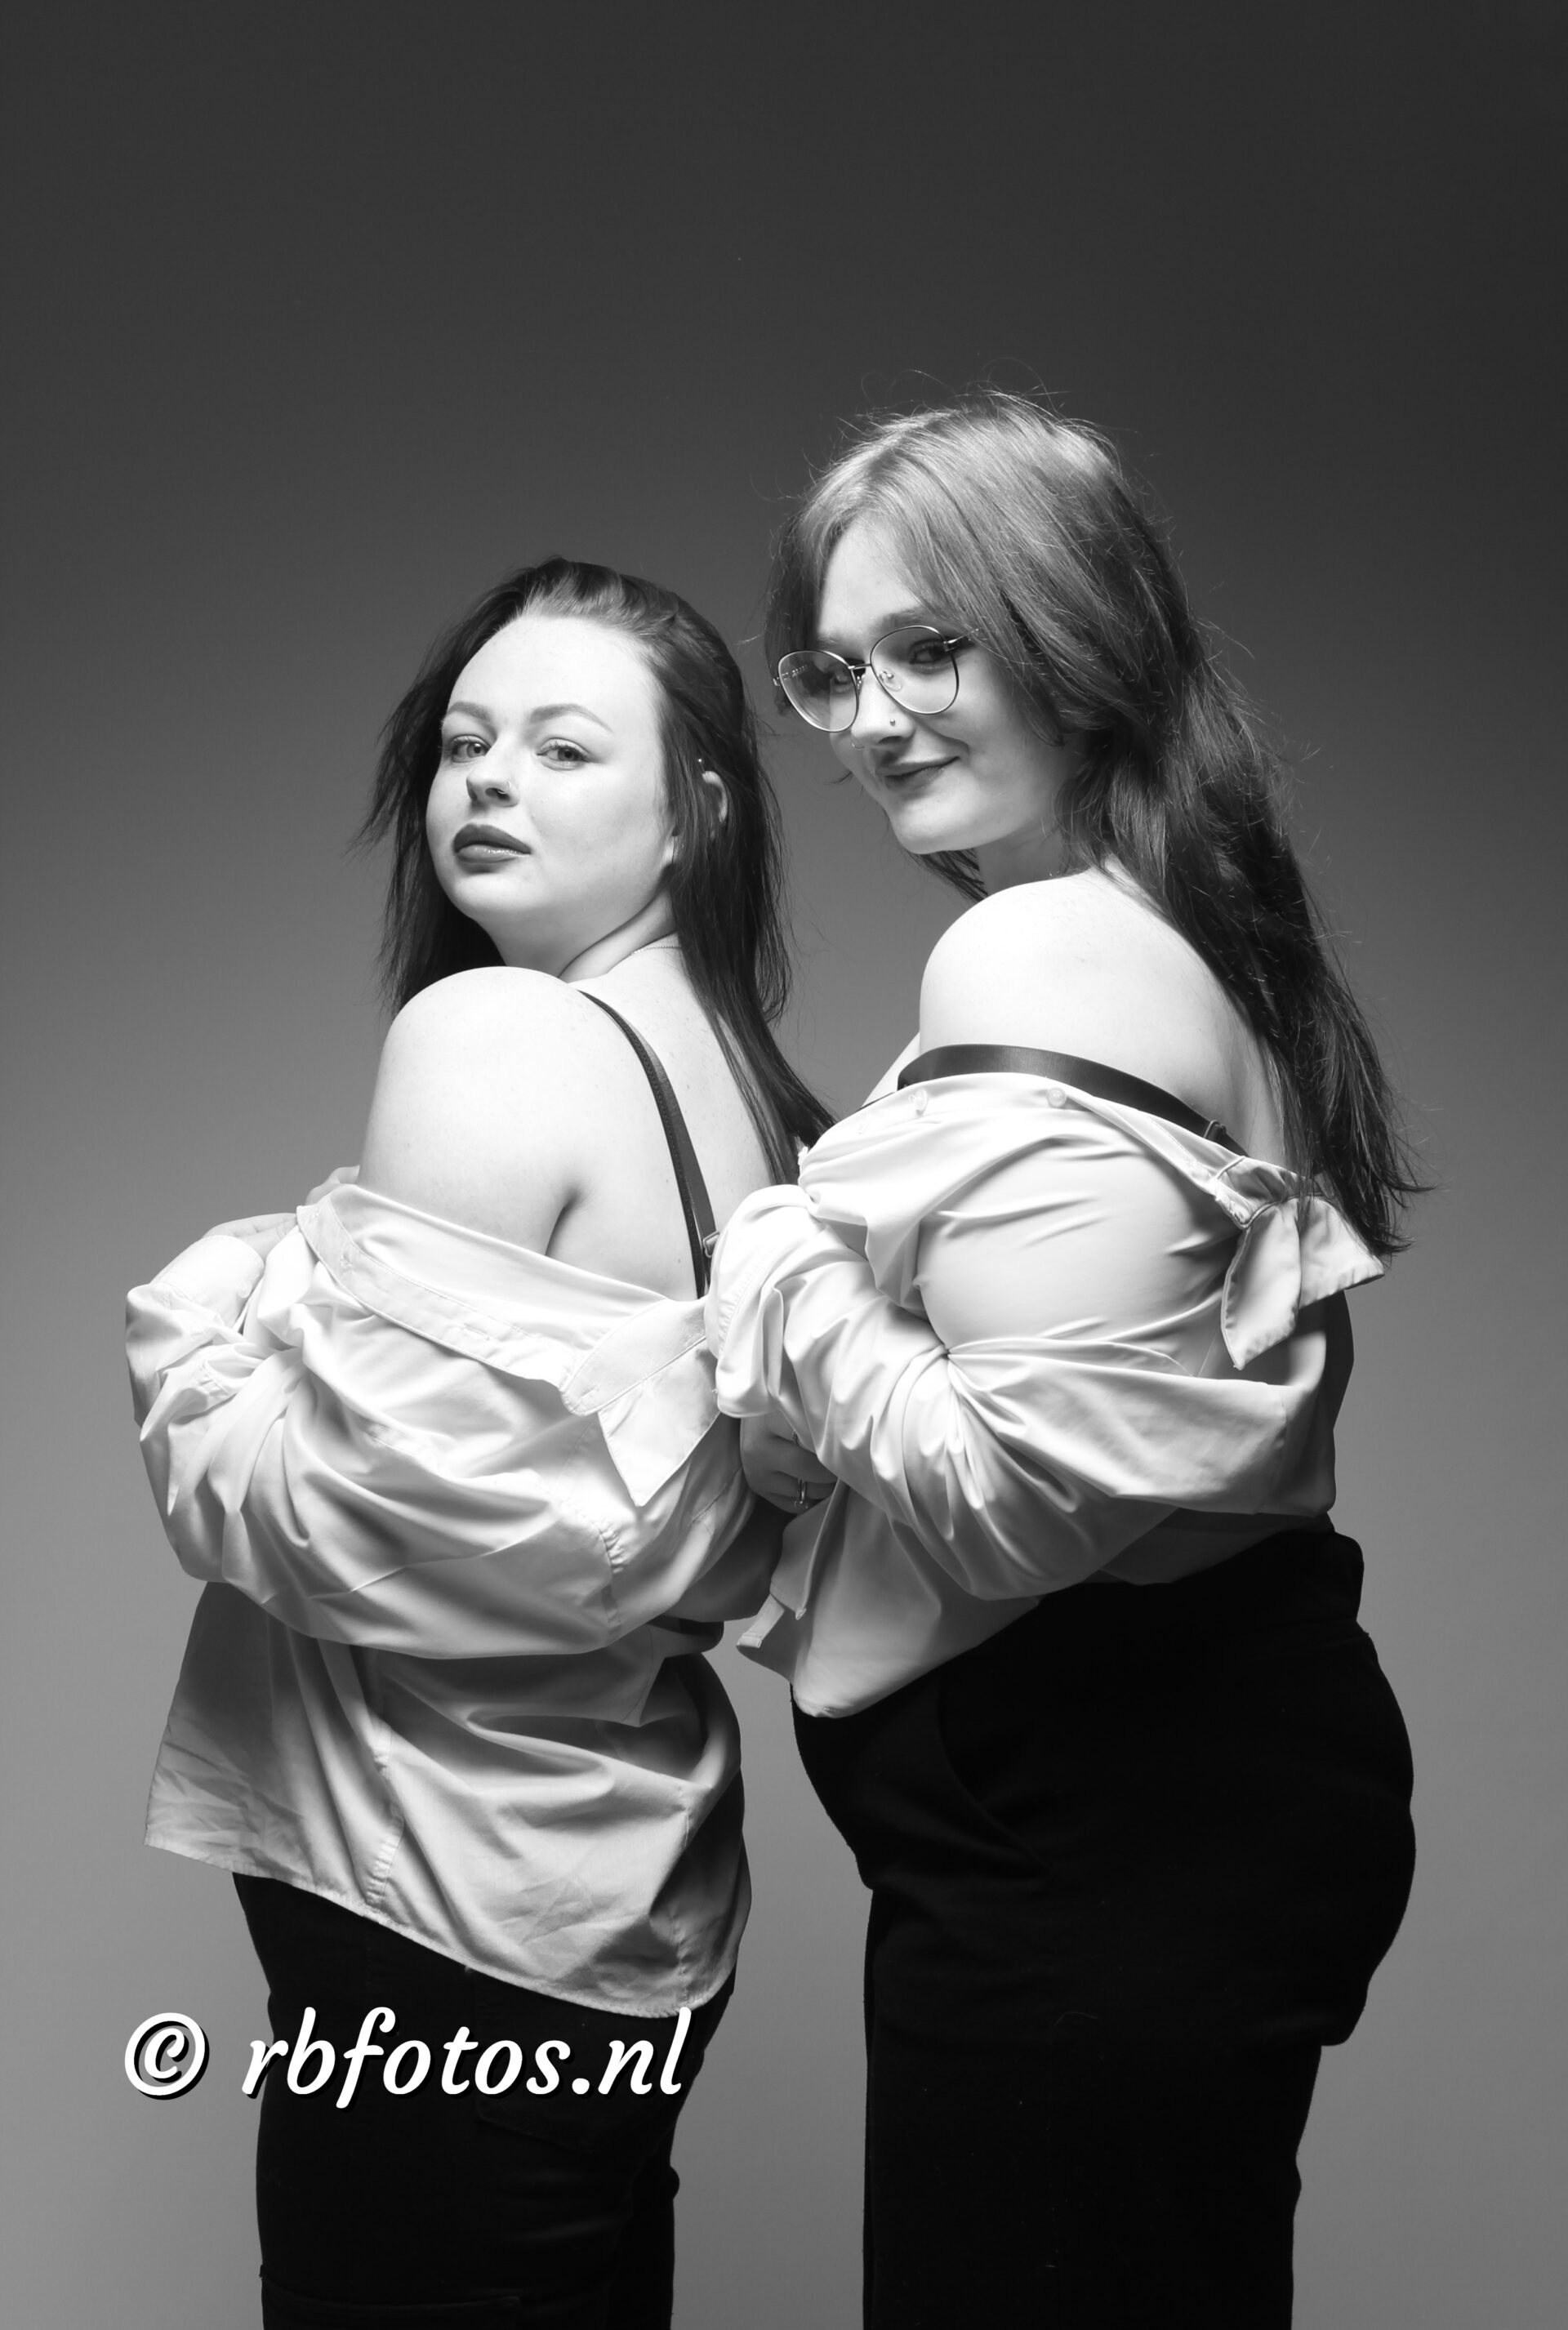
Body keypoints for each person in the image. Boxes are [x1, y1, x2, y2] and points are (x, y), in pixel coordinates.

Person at [705, 395, 1419, 2328]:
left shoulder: (1037, 959)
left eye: (933, 647)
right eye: (834, 670)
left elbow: (1007, 1499)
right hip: (1164, 1826)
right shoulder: (1194, 930)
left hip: (1102, 1841)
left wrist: (774, 1253)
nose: (873, 718)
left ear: (1079, 631)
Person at [126, 558, 830, 2330]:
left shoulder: (495, 1030)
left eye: (564, 747)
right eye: (463, 742)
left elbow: (343, 1522)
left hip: (438, 1918)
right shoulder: (749, 1093)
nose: (490, 778)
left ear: (696, 813)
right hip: (613, 1903)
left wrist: (210, 1322)